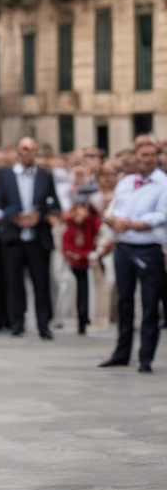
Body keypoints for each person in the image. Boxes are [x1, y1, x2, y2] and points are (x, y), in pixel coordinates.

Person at [99, 141, 167, 372]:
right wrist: (112, 219)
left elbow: (161, 215)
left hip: (148, 247)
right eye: (142, 155)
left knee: (149, 304)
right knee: (124, 301)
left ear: (156, 157)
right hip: (124, 246)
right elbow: (114, 208)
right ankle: (122, 352)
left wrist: (135, 224)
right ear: (136, 158)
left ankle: (145, 356)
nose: (146, 159)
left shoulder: (163, 183)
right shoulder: (127, 182)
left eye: (151, 155)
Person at [0, 137, 61, 340]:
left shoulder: (44, 175)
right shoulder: (5, 175)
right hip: (14, 236)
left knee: (41, 282)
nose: (28, 153)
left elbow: (54, 203)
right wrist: (14, 217)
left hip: (37, 237)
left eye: (32, 149)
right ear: (18, 151)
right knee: (14, 283)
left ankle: (43, 324)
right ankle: (17, 322)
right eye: (24, 149)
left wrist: (39, 215)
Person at [62, 197, 99, 335]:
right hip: (75, 264)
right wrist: (83, 255)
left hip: (88, 263)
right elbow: (67, 247)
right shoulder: (70, 227)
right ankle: (79, 318)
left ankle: (86, 318)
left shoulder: (89, 225)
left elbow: (94, 239)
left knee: (87, 291)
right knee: (77, 290)